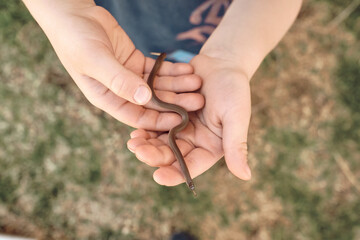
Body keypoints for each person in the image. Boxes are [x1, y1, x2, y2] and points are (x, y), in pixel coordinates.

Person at [23, 0, 303, 187]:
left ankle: (167, 58)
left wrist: (230, 55)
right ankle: (160, 58)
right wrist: (67, 14)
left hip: (226, 25)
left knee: (171, 74)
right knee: (151, 64)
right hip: (126, 30)